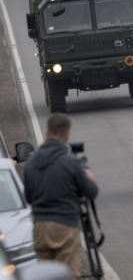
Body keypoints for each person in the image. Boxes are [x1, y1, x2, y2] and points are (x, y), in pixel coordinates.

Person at [24, 113, 99, 280]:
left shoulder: (31, 163)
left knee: (45, 276)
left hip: (40, 228)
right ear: (67, 135)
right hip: (64, 225)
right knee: (68, 274)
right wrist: (88, 177)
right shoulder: (70, 162)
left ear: (46, 133)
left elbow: (28, 198)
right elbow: (91, 192)